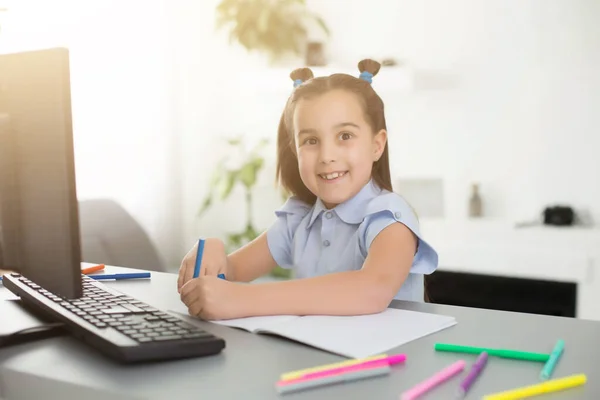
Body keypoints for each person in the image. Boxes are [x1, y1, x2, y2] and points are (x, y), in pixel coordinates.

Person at [178, 59, 438, 320]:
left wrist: (244, 299)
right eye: (311, 141)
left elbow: (371, 290)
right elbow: (230, 273)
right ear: (295, 150)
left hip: (387, 360)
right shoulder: (299, 219)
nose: (327, 155)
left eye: (345, 136)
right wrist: (211, 249)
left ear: (377, 145)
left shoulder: (390, 218)